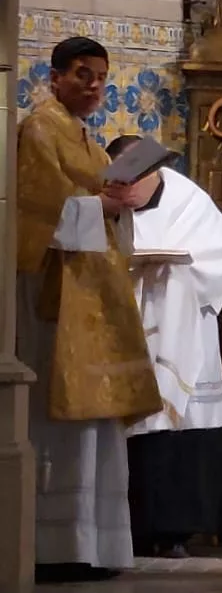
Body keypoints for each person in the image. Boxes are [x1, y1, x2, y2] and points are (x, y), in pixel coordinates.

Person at [15, 37, 162, 582]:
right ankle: (56, 545)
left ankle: (95, 544)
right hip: (55, 295)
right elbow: (33, 210)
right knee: (63, 419)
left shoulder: (87, 140)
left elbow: (99, 201)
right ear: (54, 77)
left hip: (92, 292)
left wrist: (123, 202)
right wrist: (100, 203)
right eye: (82, 74)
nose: (94, 84)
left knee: (96, 421)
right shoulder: (39, 129)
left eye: (101, 75)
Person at [105, 135, 222, 558]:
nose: (126, 190)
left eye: (133, 180)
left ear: (152, 172)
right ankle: (131, 528)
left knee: (182, 429)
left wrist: (175, 270)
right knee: (134, 428)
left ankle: (180, 529)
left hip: (184, 327)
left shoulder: (190, 202)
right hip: (123, 328)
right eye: (117, 181)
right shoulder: (103, 206)